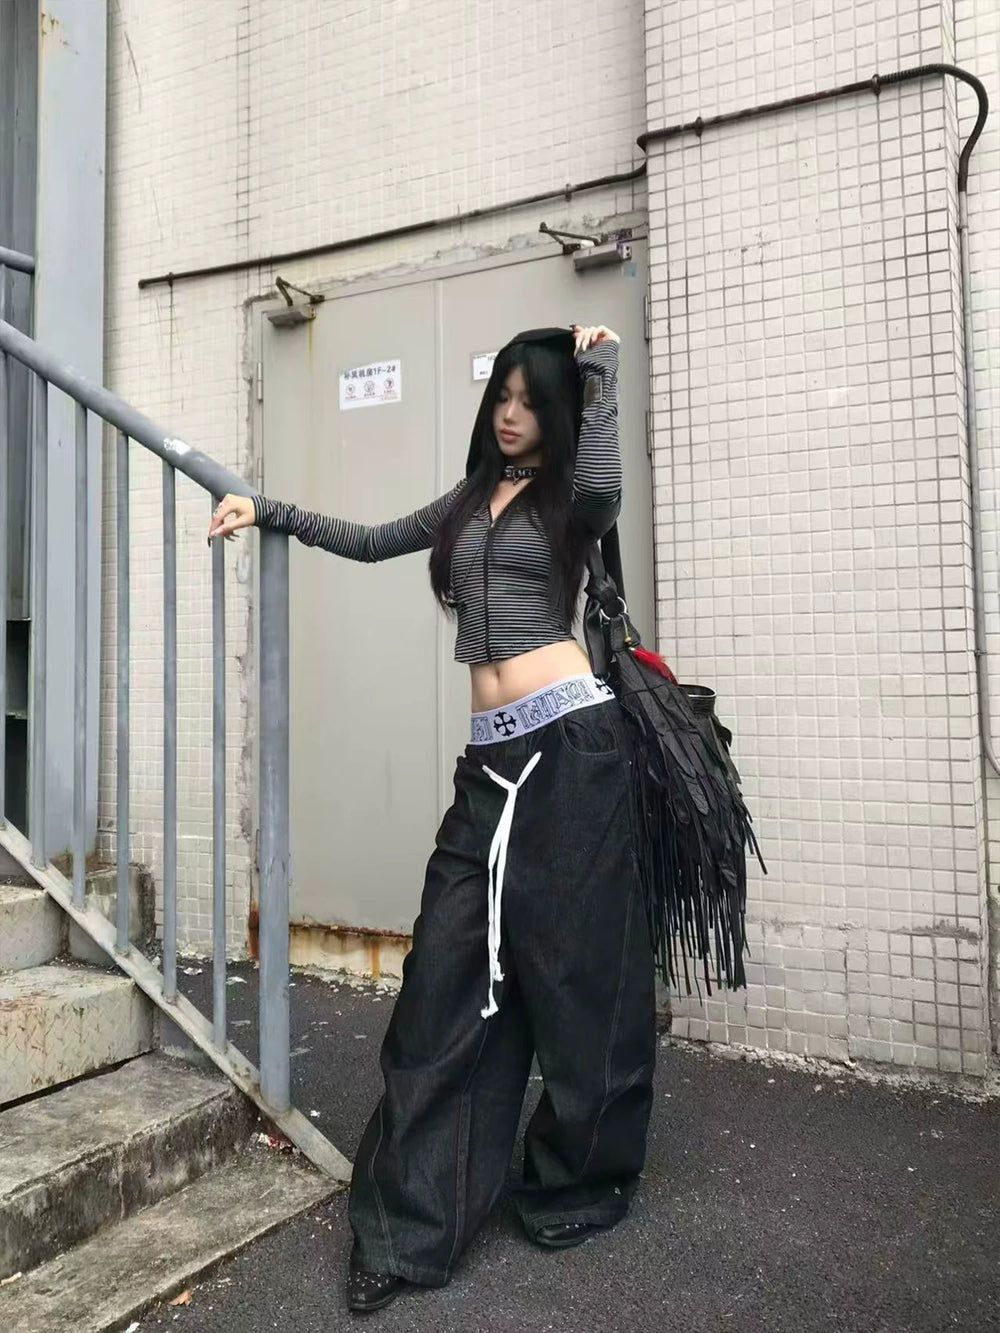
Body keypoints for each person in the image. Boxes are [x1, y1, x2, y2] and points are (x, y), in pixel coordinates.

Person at [209, 323, 657, 1314]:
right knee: (444, 978)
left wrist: (599, 373)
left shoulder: (570, 501)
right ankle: (410, 1223)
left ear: (557, 410)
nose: (511, 413)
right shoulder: (465, 501)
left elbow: (604, 486)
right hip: (492, 762)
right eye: (503, 395)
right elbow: (371, 542)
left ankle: (579, 1176)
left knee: (577, 977)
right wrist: (265, 508)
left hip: (573, 751)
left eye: (531, 399)